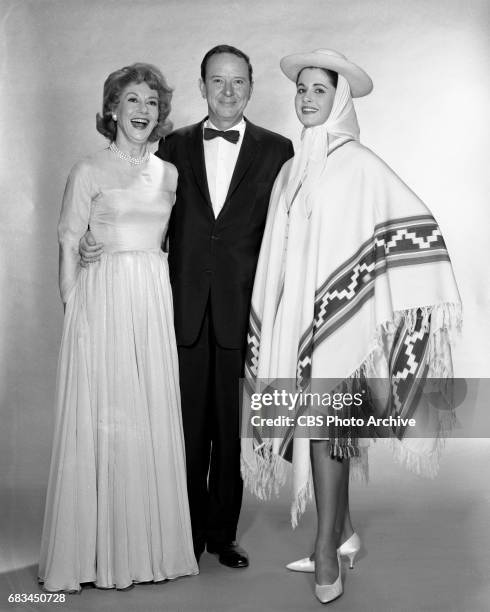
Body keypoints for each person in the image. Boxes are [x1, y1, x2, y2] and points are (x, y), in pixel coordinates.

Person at [241, 49, 461, 603]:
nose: (307, 98)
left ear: (338, 100)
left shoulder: (360, 163)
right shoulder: (293, 167)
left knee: (324, 433)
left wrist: (367, 294)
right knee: (306, 434)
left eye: (319, 90)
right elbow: (280, 252)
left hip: (339, 321)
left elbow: (410, 223)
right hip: (296, 319)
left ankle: (324, 553)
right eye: (302, 89)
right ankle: (345, 535)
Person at [79, 45, 294, 568]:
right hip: (176, 311)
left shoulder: (278, 150)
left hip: (244, 314)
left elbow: (294, 228)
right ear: (201, 87)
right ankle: (184, 533)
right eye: (217, 81)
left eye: (238, 82)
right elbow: (133, 205)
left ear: (251, 86)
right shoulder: (168, 145)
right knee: (184, 430)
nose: (227, 91)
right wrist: (92, 238)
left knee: (232, 429)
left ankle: (222, 536)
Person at [38, 63, 198, 593]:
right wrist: (74, 309)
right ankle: (96, 554)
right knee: (105, 418)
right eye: (132, 100)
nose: (142, 110)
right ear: (112, 109)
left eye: (151, 102)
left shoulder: (170, 174)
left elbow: (166, 244)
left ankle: (147, 549)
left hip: (151, 303)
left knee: (145, 415)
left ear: (161, 113)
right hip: (101, 304)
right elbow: (68, 242)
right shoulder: (89, 169)